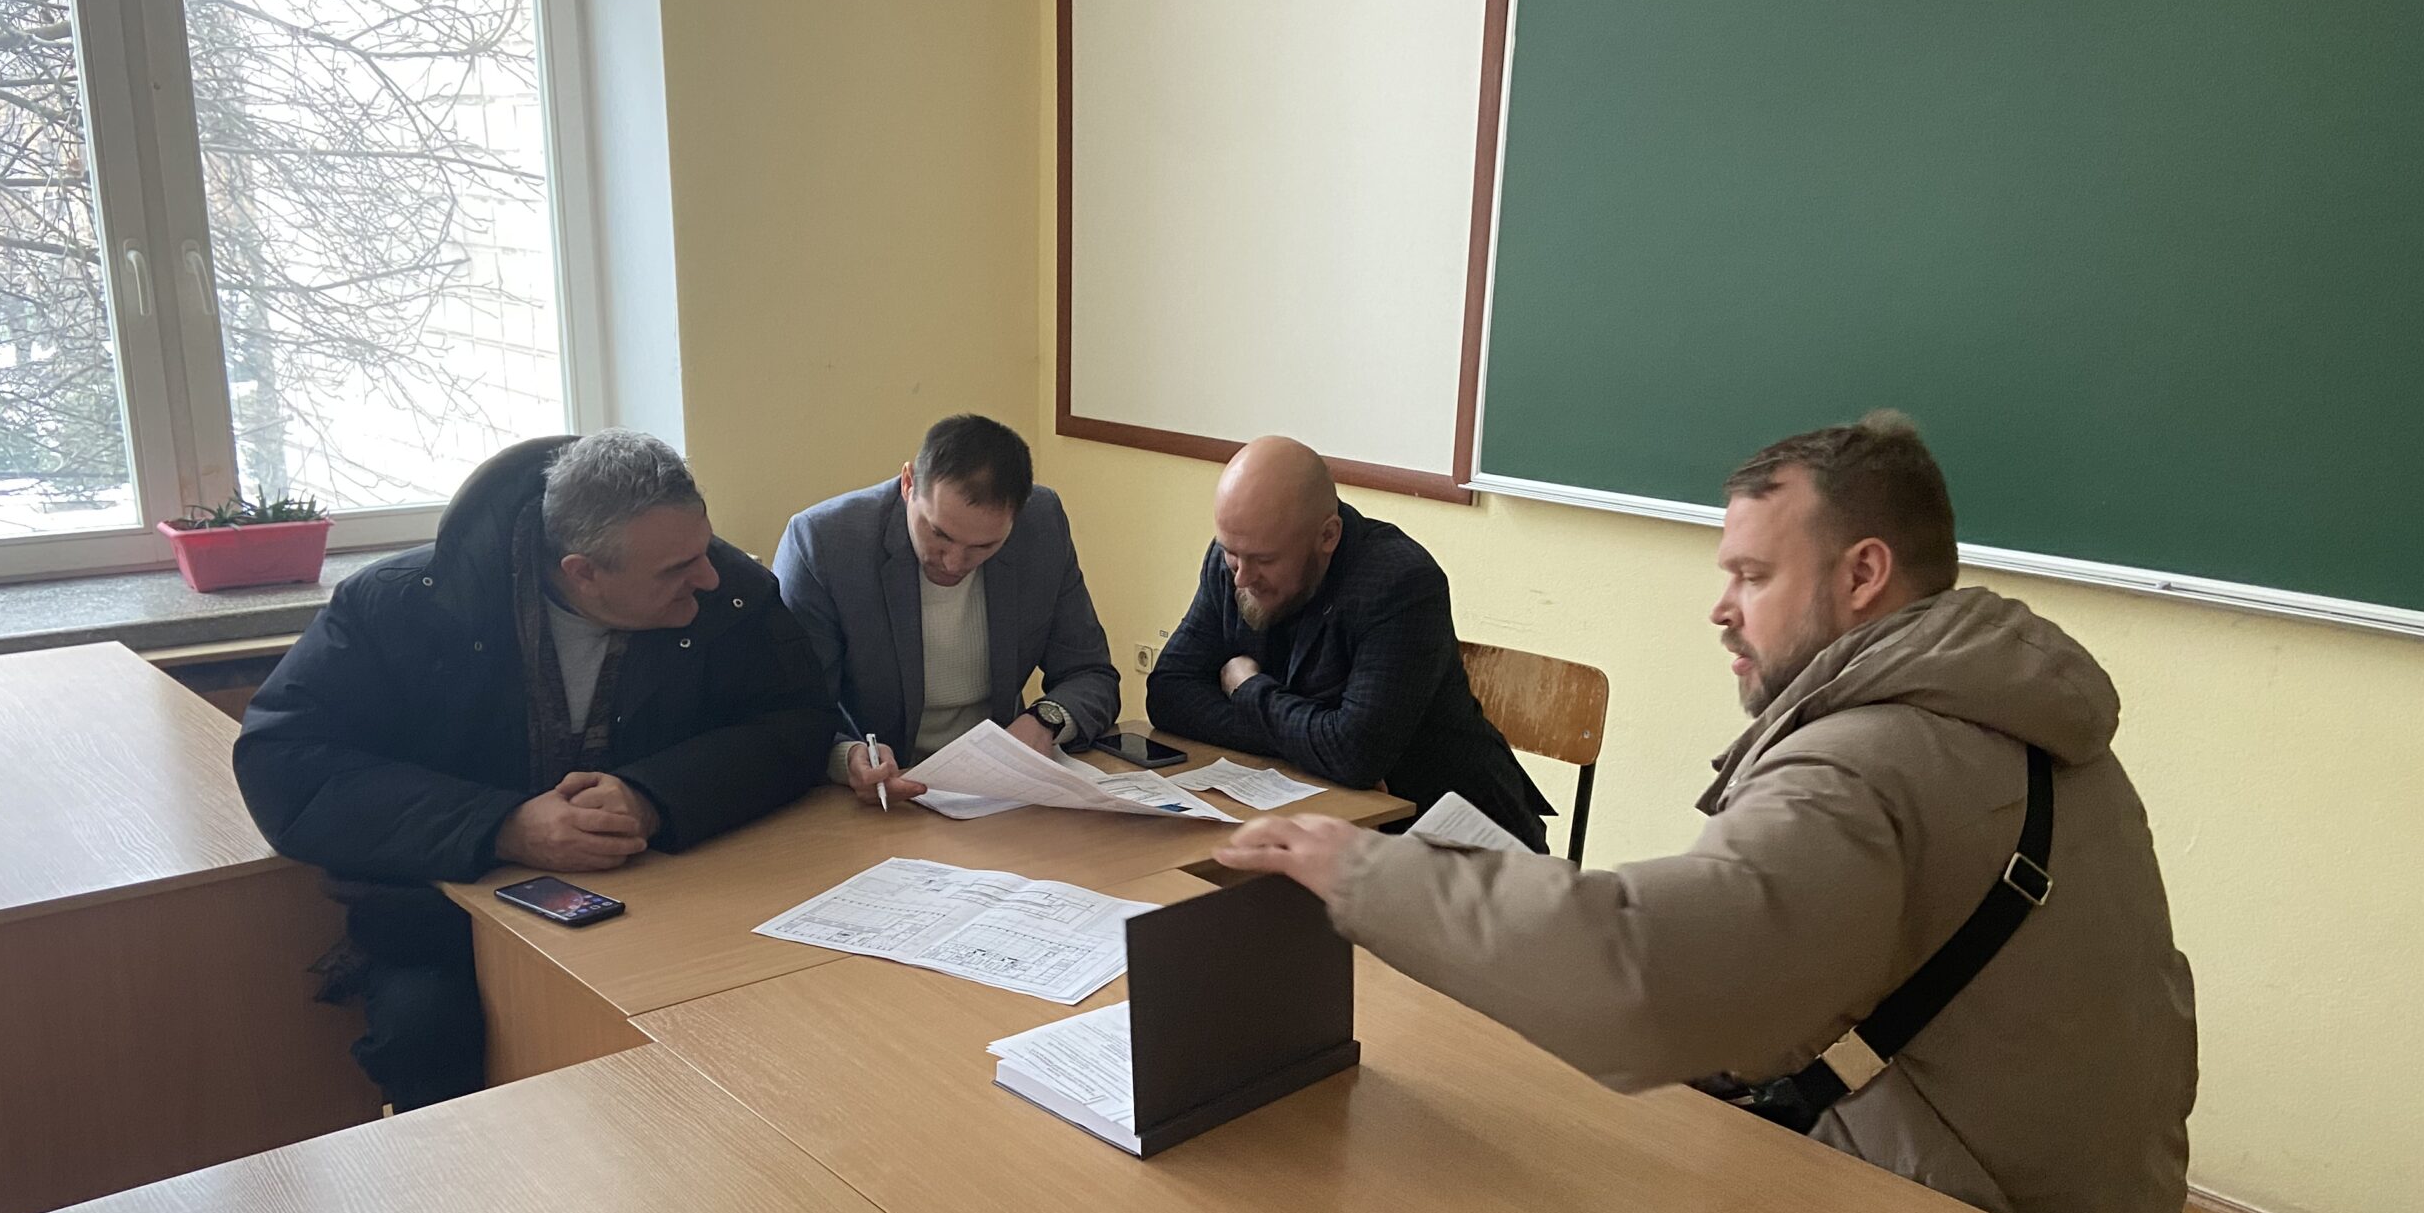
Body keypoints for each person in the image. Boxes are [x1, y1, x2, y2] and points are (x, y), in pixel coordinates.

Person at [1217, 413, 2198, 1213]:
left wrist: (1360, 871)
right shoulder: (2023, 718)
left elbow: (1648, 980)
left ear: (1863, 575)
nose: (1721, 608)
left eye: (1753, 576)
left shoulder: (1864, 766)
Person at [234, 431, 833, 1110]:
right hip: (446, 919)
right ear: (583, 572)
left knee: (757, 1037)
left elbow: (795, 723)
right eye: (676, 568)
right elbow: (284, 763)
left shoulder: (730, 595)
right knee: (427, 1036)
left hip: (682, 898)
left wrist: (652, 796)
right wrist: (503, 825)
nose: (710, 578)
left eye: (705, 547)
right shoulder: (399, 607)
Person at [1148, 436, 1552, 847]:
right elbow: (1169, 694)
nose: (1241, 577)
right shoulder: (1237, 559)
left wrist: (1248, 689)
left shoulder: (1401, 584)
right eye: (1230, 552)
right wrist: (1311, 742)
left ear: (1328, 535)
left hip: (1456, 844)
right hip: (1322, 822)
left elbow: (1354, 753)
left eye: (1265, 560)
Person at [773, 413, 1119, 806]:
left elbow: (1091, 674)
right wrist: (847, 757)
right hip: (876, 797)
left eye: (984, 546)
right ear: (908, 484)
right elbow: (790, 713)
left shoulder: (1042, 525)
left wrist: (1044, 721)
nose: (954, 563)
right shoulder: (823, 543)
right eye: (939, 534)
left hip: (998, 792)